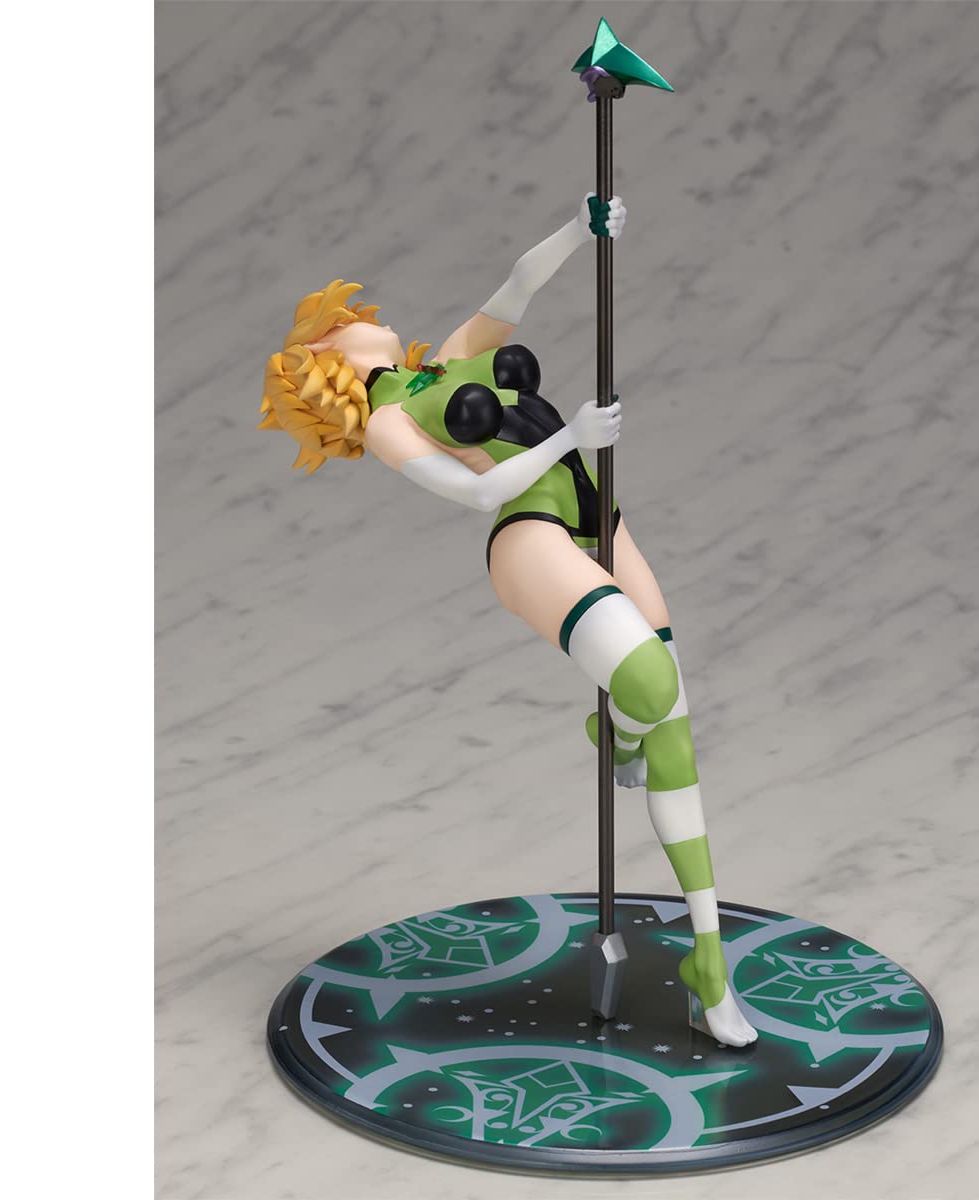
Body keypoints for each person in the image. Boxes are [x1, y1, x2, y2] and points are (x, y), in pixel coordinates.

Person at [260, 194, 757, 1047]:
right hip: (531, 536)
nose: (364, 316)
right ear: (326, 359)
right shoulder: (388, 422)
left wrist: (582, 226)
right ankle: (621, 734)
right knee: (648, 684)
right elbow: (479, 489)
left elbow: (519, 283)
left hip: (600, 513)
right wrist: (571, 436)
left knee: (675, 726)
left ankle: (708, 962)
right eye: (343, 323)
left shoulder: (453, 357)